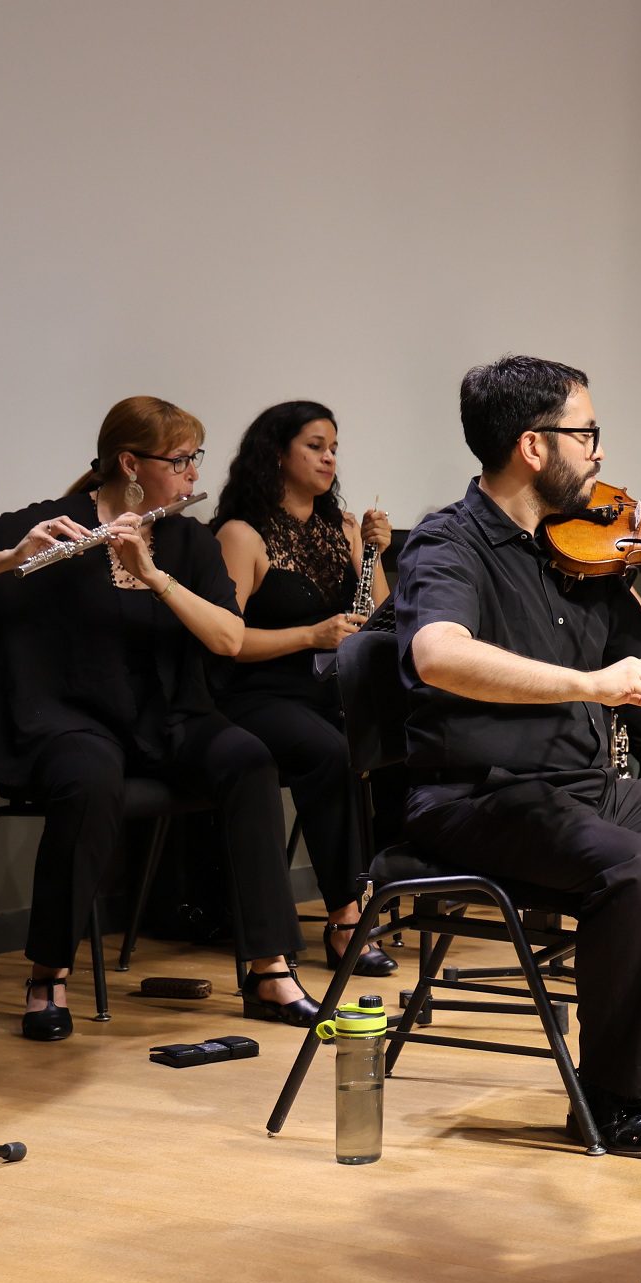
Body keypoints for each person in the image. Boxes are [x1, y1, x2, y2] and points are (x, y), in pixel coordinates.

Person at [392, 355, 641, 1158]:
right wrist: (587, 681)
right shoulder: (449, 543)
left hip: (578, 787)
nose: (601, 454)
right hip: (473, 799)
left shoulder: (576, 553)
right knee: (634, 866)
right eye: (587, 434)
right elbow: (438, 655)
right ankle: (608, 1095)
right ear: (534, 447)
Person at [0, 396, 318, 1040]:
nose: (193, 476)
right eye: (180, 461)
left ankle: (269, 968)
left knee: (248, 758)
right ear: (130, 464)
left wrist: (154, 576)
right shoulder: (48, 524)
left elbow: (229, 640)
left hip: (169, 717)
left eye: (195, 460)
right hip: (70, 718)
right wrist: (12, 558)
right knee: (88, 778)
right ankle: (48, 974)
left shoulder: (187, 539)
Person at [213, 401, 394, 975]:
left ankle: (400, 897)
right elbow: (229, 640)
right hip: (257, 694)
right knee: (330, 752)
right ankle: (346, 921)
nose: (329, 457)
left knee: (400, 741)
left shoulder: (343, 530)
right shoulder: (242, 535)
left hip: (330, 691)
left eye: (333, 448)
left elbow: (379, 617)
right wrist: (310, 635)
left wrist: (376, 556)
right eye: (315, 446)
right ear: (276, 454)